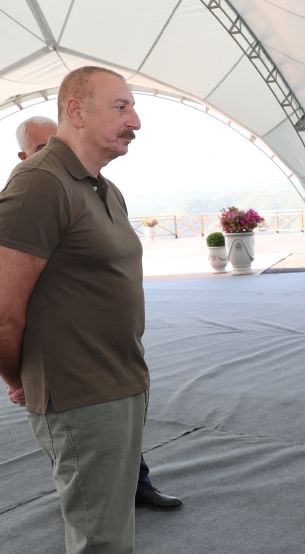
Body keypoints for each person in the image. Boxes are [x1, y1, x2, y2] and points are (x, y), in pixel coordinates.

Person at [0, 66, 157, 554]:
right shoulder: (40, 184)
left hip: (120, 385)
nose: (136, 121)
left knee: (112, 543)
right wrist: (19, 379)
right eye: (121, 107)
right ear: (75, 111)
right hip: (81, 399)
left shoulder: (103, 188)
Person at [15, 115, 182, 513]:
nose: (56, 152)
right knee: (79, 448)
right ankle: (86, 502)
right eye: (43, 148)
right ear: (23, 156)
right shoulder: (29, 196)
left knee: (122, 426)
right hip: (67, 356)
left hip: (115, 349)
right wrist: (17, 374)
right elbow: (4, 304)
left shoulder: (100, 189)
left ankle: (137, 485)